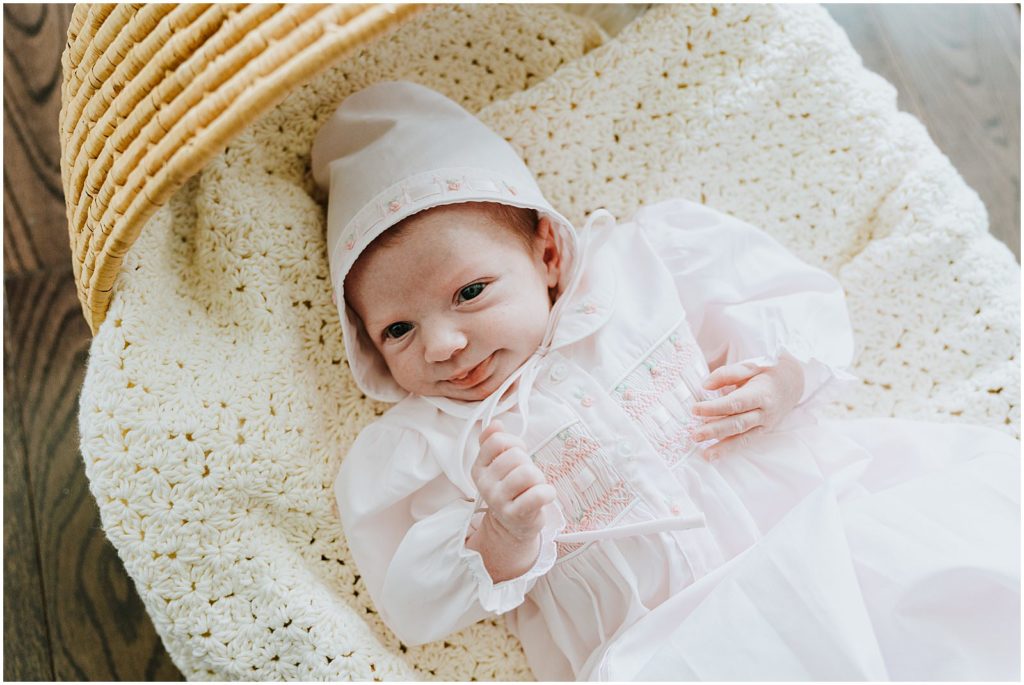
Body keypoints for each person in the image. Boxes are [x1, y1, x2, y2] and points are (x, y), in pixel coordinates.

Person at [311, 80, 1020, 681]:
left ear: (549, 252)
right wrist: (501, 535)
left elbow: (783, 295)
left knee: (941, 624)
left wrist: (780, 382)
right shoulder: (428, 442)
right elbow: (408, 596)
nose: (443, 342)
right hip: (671, 646)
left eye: (469, 292)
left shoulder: (638, 269)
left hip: (815, 529)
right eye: (398, 330)